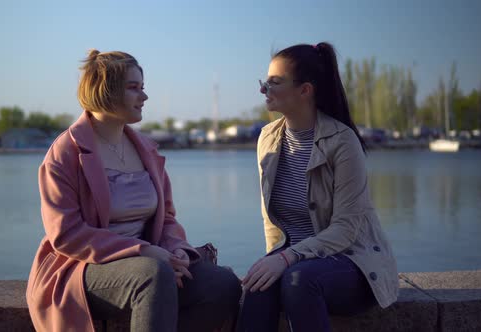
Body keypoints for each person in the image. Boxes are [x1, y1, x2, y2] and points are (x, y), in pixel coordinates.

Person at [26, 49, 242, 332]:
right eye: (134, 88)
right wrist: (145, 252)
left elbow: (166, 220)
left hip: (154, 263)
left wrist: (174, 249)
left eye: (143, 88)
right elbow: (67, 235)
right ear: (106, 91)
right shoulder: (66, 153)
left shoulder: (147, 150)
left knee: (222, 284)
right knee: (153, 275)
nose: (144, 97)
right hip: (82, 267)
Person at [238, 43, 399, 332]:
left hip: (353, 264)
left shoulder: (343, 142)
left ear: (305, 90)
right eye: (265, 81)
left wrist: (287, 258)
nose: (264, 89)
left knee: (299, 280)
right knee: (257, 286)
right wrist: (272, 260)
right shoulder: (267, 139)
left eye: (275, 82)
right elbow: (271, 221)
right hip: (295, 262)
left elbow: (345, 229)